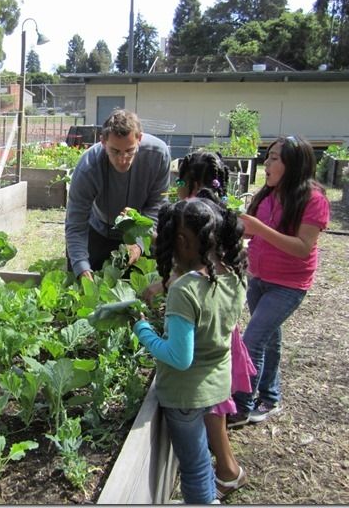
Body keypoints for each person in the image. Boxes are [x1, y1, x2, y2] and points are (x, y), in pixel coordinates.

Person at [143, 149, 254, 499]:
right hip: (216, 386)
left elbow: (178, 356)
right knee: (200, 462)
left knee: (193, 467)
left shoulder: (184, 290)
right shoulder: (234, 276)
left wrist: (142, 328)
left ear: (179, 242)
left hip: (185, 396)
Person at [229, 136, 330, 427]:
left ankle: (242, 406)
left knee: (253, 341)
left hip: (288, 285)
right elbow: (249, 232)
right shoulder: (268, 195)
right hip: (258, 278)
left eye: (275, 158)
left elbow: (302, 247)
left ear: (294, 165)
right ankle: (270, 398)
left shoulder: (313, 200)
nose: (267, 163)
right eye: (268, 156)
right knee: (269, 341)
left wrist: (259, 228)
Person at [65, 109, 171, 281]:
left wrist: (139, 243)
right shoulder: (88, 167)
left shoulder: (158, 155)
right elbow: (76, 223)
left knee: (143, 287)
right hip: (99, 228)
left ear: (140, 139)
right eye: (115, 151)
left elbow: (157, 205)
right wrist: (81, 267)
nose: (123, 159)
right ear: (103, 142)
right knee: (85, 280)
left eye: (130, 151)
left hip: (141, 230)